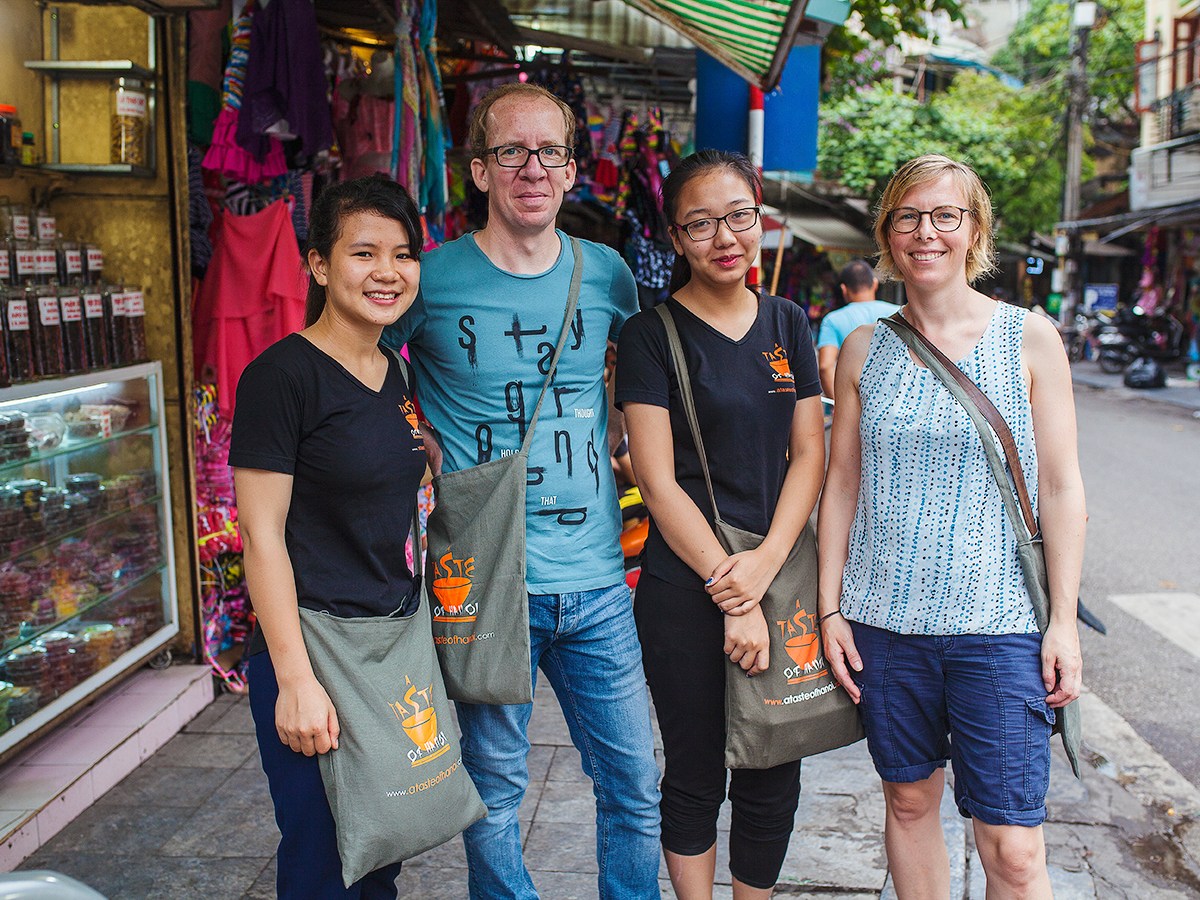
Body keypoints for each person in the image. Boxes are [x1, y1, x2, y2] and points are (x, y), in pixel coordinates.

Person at [383, 83, 661, 900]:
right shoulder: (428, 279)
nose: (531, 168)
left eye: (549, 153)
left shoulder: (606, 273)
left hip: (599, 577)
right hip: (486, 580)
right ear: (478, 170)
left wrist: (615, 434)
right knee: (493, 790)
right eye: (511, 151)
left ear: (574, 172)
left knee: (636, 786)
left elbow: (632, 377)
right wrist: (415, 435)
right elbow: (361, 363)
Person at [817, 155, 1086, 898]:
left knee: (1014, 848)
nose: (925, 232)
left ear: (974, 232)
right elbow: (841, 485)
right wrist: (830, 606)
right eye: (907, 216)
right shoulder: (866, 348)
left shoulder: (1029, 338)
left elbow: (1062, 489)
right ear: (887, 235)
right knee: (908, 802)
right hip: (885, 625)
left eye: (945, 216)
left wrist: (1062, 622)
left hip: (999, 628)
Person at [617, 150, 826, 899]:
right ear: (676, 238)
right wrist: (730, 590)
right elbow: (655, 474)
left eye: (738, 216)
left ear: (759, 217)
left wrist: (765, 567)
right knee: (698, 768)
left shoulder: (788, 324)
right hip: (685, 586)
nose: (724, 237)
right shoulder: (652, 335)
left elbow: (810, 454)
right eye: (700, 224)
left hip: (778, 575)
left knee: (775, 764)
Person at [230, 175, 428, 898]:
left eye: (403, 254)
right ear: (318, 264)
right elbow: (261, 537)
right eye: (363, 252)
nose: (387, 272)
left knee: (379, 852)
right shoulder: (280, 379)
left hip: (385, 650)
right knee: (324, 861)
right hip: (314, 649)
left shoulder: (393, 374)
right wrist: (294, 682)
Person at [816, 259, 898, 400]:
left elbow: (825, 366)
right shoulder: (898, 313)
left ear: (843, 289)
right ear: (875, 284)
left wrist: (839, 403)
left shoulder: (833, 319)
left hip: (853, 400)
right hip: (893, 401)